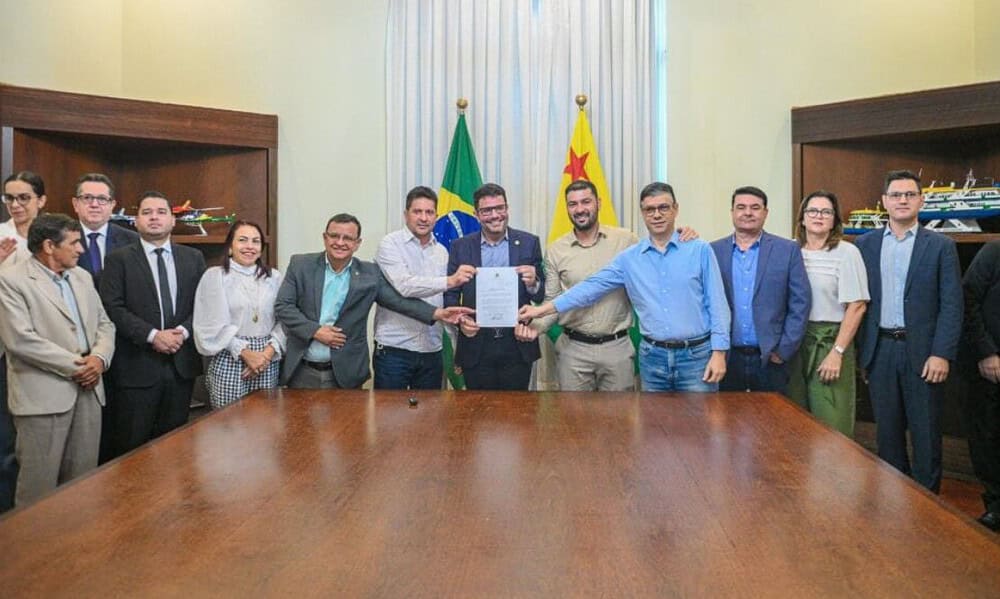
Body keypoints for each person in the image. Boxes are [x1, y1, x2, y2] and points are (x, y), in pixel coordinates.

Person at [520, 182, 730, 392]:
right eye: (650, 209)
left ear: (675, 209)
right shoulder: (630, 257)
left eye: (663, 208)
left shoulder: (698, 249)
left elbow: (718, 304)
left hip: (695, 356)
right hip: (652, 357)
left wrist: (719, 352)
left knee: (698, 414)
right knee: (652, 415)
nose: (657, 215)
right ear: (642, 213)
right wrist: (540, 311)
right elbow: (589, 288)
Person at [274, 213, 472, 389]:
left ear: (357, 243)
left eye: (348, 238)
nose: (340, 242)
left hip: (345, 373)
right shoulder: (301, 265)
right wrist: (315, 331)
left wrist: (439, 313)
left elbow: (398, 302)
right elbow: (284, 306)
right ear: (325, 238)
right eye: (334, 236)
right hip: (303, 369)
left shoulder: (369, 273)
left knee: (349, 421)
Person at [856, 169, 962, 493]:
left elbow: (952, 304)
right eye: (896, 195)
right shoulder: (865, 244)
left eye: (910, 194)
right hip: (881, 351)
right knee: (887, 436)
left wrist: (941, 353)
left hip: (924, 354)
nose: (902, 200)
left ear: (921, 200)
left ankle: (928, 509)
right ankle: (895, 505)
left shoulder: (941, 246)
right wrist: (863, 355)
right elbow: (859, 301)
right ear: (884, 201)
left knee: (926, 435)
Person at [0, 214, 115, 506]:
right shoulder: (11, 280)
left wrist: (99, 358)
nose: (81, 249)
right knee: (38, 490)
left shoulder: (82, 277)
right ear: (49, 246)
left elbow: (105, 324)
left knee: (83, 485)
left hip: (89, 392)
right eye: (74, 243)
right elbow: (20, 340)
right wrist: (80, 367)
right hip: (43, 399)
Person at [99, 191, 207, 457]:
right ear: (136, 221)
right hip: (136, 367)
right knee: (131, 449)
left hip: (180, 366)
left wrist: (182, 332)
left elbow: (204, 304)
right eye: (147, 212)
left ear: (173, 220)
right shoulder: (118, 259)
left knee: (176, 448)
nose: (154, 217)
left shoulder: (193, 258)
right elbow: (112, 307)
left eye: (161, 212)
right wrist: (152, 335)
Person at [444, 183, 545, 390]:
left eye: (500, 208)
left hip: (517, 342)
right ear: (476, 214)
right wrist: (461, 320)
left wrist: (534, 283)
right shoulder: (460, 247)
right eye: (487, 210)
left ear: (507, 208)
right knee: (477, 407)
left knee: (517, 407)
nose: (495, 215)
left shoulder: (529, 242)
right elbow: (450, 295)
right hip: (475, 343)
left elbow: (541, 295)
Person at [373, 186, 475, 389]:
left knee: (431, 409)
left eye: (429, 212)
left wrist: (458, 348)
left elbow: (444, 304)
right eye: (417, 211)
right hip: (395, 349)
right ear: (406, 215)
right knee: (389, 410)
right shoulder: (390, 244)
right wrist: (450, 280)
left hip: (432, 349)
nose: (423, 218)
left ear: (436, 216)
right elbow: (404, 286)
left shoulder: (442, 251)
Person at [710, 186, 810, 393]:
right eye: (741, 207)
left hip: (771, 358)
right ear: (732, 212)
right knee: (727, 413)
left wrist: (783, 350)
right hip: (727, 357)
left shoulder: (787, 250)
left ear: (765, 213)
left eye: (755, 207)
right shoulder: (713, 251)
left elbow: (800, 303)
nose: (748, 212)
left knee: (772, 414)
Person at [786, 191, 869, 436]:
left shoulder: (847, 253)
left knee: (832, 424)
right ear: (802, 218)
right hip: (794, 344)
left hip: (830, 342)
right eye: (812, 211)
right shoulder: (789, 250)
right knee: (793, 422)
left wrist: (837, 352)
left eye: (826, 212)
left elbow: (857, 306)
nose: (818, 216)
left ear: (834, 220)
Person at [194, 221, 286, 409]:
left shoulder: (274, 277)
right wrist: (246, 353)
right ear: (230, 246)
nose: (249, 246)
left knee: (265, 421)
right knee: (230, 422)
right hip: (230, 355)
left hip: (267, 358)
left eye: (255, 241)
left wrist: (266, 355)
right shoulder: (216, 276)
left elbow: (285, 319)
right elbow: (208, 323)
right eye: (242, 240)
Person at [0, 171, 47, 511]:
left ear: (41, 200)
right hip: (6, 349)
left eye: (23, 198)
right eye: (9, 198)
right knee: (6, 434)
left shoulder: (53, 236)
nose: (15, 205)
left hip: (46, 348)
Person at [959, 239, 1000, 531]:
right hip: (990, 363)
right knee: (988, 435)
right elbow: (968, 299)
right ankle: (996, 505)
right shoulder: (993, 252)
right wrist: (986, 352)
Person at [72, 173, 140, 286]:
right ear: (75, 204)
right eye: (87, 198)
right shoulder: (61, 239)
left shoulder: (133, 241)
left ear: (112, 205)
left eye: (102, 199)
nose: (94, 204)